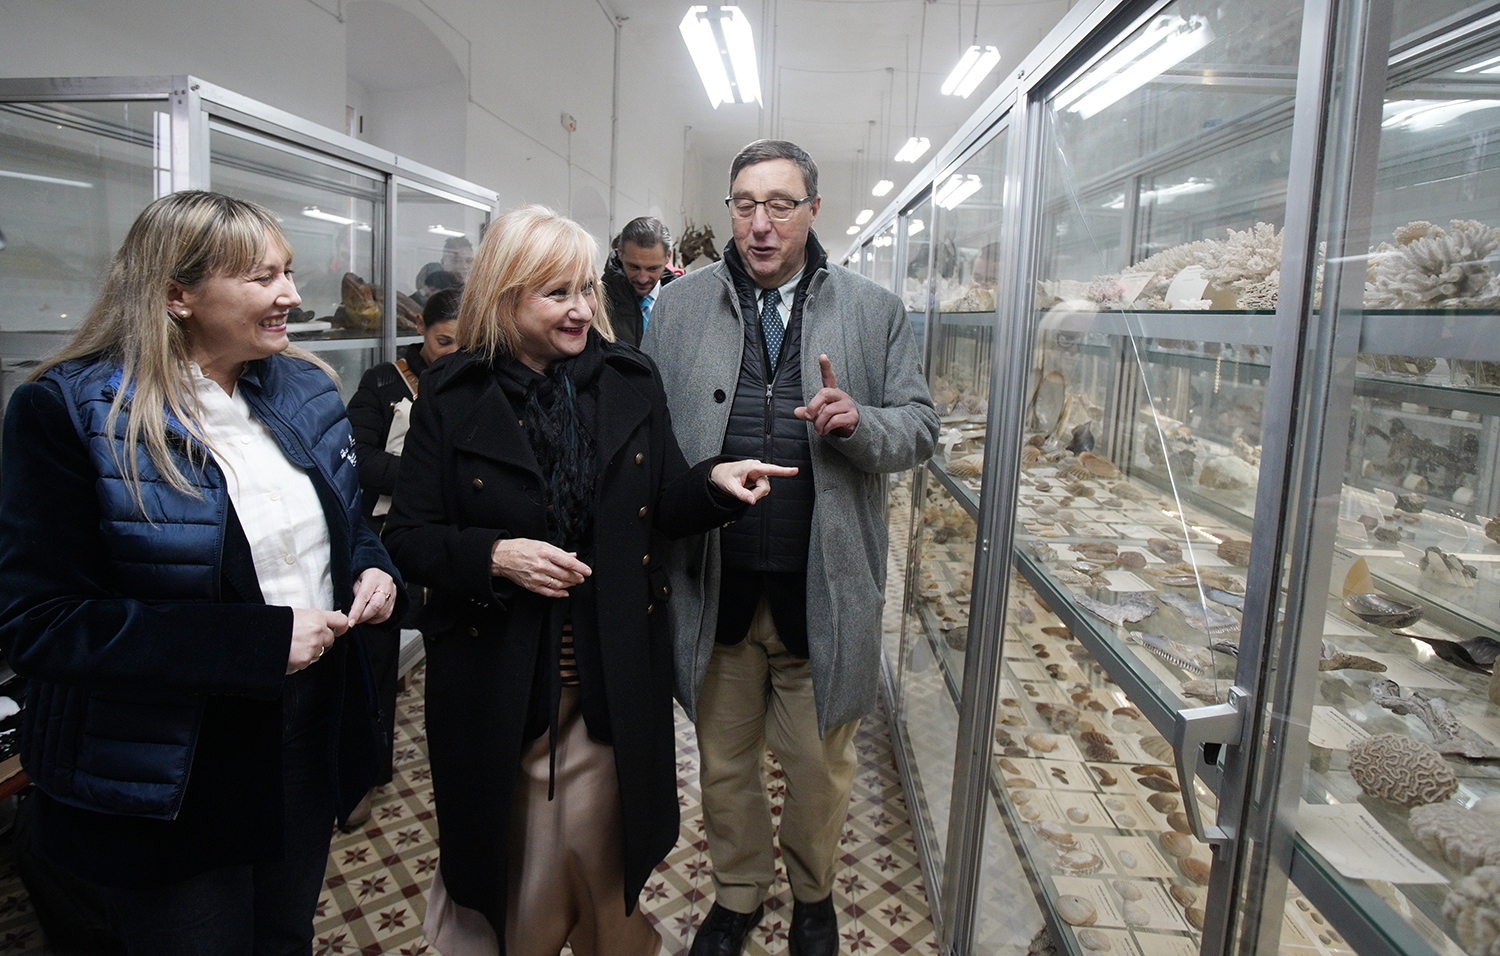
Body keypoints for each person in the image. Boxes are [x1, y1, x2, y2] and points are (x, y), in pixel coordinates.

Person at [381, 204, 796, 956]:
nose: (581, 310)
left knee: (604, 862)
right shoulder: (451, 394)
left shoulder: (628, 380)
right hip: (500, 677)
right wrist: (495, 556)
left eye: (584, 290)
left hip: (607, 675)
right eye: (556, 294)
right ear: (505, 297)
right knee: (519, 871)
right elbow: (407, 538)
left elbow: (662, 501)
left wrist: (714, 484)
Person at [0, 190, 403, 955]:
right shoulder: (69, 412)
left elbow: (347, 527)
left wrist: (372, 568)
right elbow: (41, 623)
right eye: (260, 278)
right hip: (172, 767)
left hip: (305, 729)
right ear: (177, 294)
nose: (290, 295)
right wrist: (252, 644)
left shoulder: (303, 387)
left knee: (283, 934)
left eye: (286, 272)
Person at [641, 140, 938, 956]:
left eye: (780, 204)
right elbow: (650, 442)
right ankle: (738, 892)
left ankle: (814, 893)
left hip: (824, 590)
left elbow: (921, 427)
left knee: (819, 769)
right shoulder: (678, 310)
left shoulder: (874, 311)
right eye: (744, 204)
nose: (760, 224)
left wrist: (861, 423)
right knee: (725, 763)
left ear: (814, 209)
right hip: (716, 582)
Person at [342, 286, 462, 828]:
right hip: (386, 536)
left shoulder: (477, 382)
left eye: (465, 344)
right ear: (423, 334)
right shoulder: (384, 382)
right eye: (443, 343)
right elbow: (358, 456)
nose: (452, 354)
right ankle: (365, 770)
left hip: (456, 537)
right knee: (375, 654)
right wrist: (425, 483)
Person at [601, 217, 676, 348]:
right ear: (620, 253)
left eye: (652, 268)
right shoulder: (597, 301)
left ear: (668, 257)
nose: (643, 279)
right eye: (633, 267)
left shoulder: (685, 301)